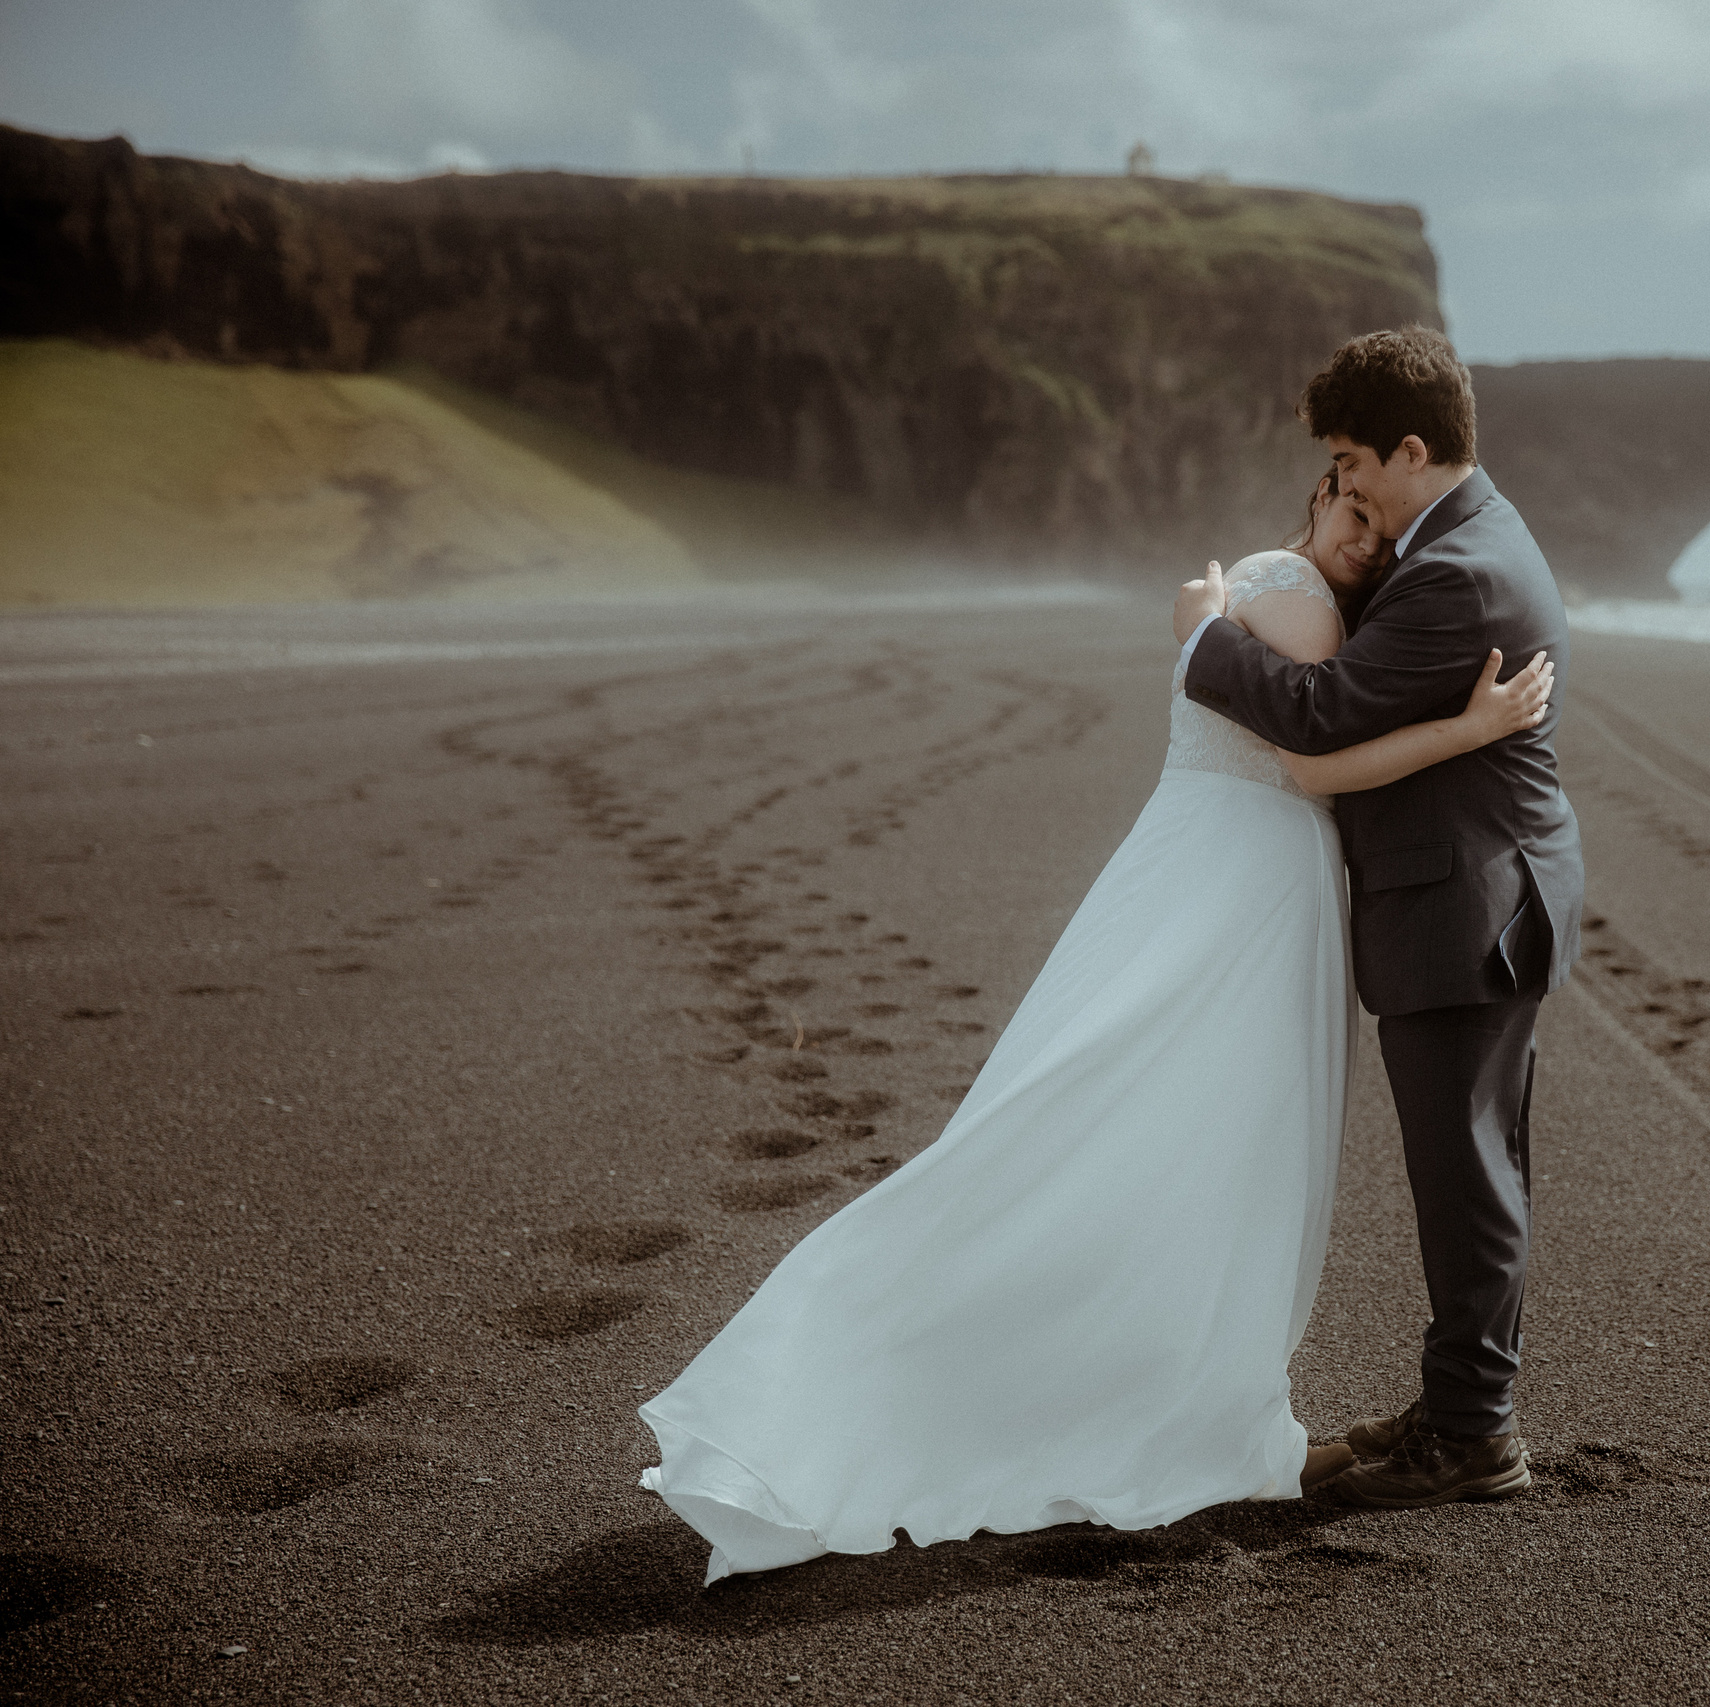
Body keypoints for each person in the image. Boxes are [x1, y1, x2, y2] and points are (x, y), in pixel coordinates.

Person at [636, 468, 1554, 1584]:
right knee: (1205, 1147)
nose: (1363, 541)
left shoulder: (1260, 592)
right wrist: (1473, 728)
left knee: (1150, 1130)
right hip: (1241, 888)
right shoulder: (1295, 594)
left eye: (1376, 525)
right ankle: (1158, 1408)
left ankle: (1159, 1396)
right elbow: (1312, 757)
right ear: (1316, 495)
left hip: (1199, 866)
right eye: (1349, 513)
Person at [1175, 324, 1582, 1509]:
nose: (1343, 481)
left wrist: (1205, 638)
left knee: (1467, 1179)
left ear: (1411, 449)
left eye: (1354, 457)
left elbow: (1321, 714)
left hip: (1466, 911)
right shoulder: (1462, 539)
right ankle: (1461, 1409)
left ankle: (1471, 1437)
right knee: (1477, 1172)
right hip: (1483, 897)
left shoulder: (1457, 569)